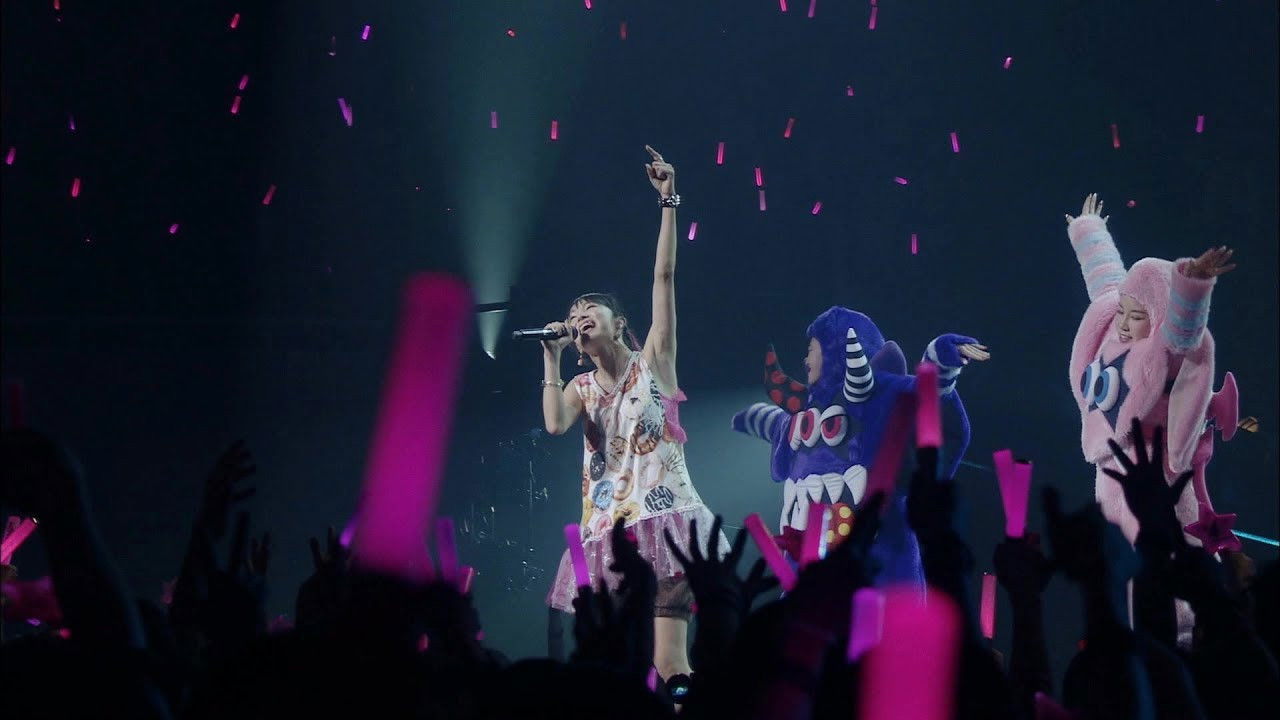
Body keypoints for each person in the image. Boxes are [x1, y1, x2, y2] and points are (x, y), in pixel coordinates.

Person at [538, 145, 725, 683]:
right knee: (618, 665)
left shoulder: (654, 364)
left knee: (669, 662)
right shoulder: (578, 385)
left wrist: (670, 201)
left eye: (587, 310)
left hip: (666, 523)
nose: (577, 319)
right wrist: (550, 356)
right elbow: (554, 423)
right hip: (609, 532)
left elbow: (663, 279)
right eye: (572, 316)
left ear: (617, 323)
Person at [731, 305, 989, 585]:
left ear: (834, 351)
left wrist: (941, 363)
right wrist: (749, 418)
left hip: (879, 575)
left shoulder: (883, 394)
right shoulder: (807, 413)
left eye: (812, 349)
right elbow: (776, 425)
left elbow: (930, 408)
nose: (805, 359)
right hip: (809, 579)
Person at [1065, 193, 1238, 545]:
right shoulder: (1113, 328)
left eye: (1138, 316)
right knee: (1116, 559)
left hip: (1154, 472)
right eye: (1123, 312)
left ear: (1158, 317)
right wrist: (1089, 231)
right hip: (1111, 469)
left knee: (1166, 551)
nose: (1125, 323)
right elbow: (1105, 280)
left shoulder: (1165, 347)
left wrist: (1191, 289)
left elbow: (1183, 332)